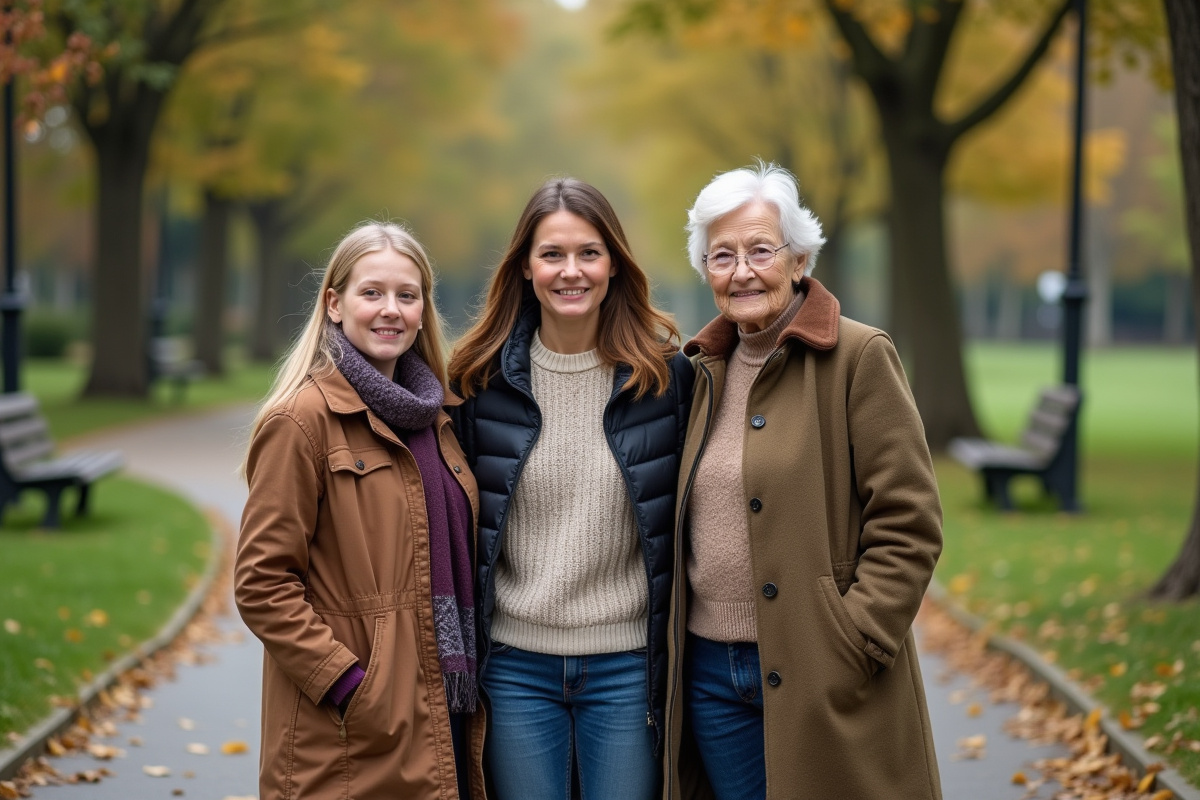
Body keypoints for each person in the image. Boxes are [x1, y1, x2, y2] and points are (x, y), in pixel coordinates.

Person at [663, 162, 944, 800]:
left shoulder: (858, 356)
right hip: (711, 674)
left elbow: (910, 520)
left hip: (821, 663)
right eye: (722, 255)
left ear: (799, 260)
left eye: (761, 251)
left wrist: (856, 638)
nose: (741, 271)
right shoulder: (699, 371)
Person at [447, 178, 694, 800]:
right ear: (525, 269)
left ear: (614, 264)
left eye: (588, 252)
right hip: (515, 668)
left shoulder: (666, 382)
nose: (571, 271)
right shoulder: (477, 383)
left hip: (627, 669)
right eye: (552, 254)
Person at [235, 222, 482, 800]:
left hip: (441, 703)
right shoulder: (302, 421)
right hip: (350, 728)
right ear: (335, 304)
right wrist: (351, 683)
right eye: (372, 293)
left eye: (407, 294)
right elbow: (262, 584)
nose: (390, 309)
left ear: (424, 309)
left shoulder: (437, 417)